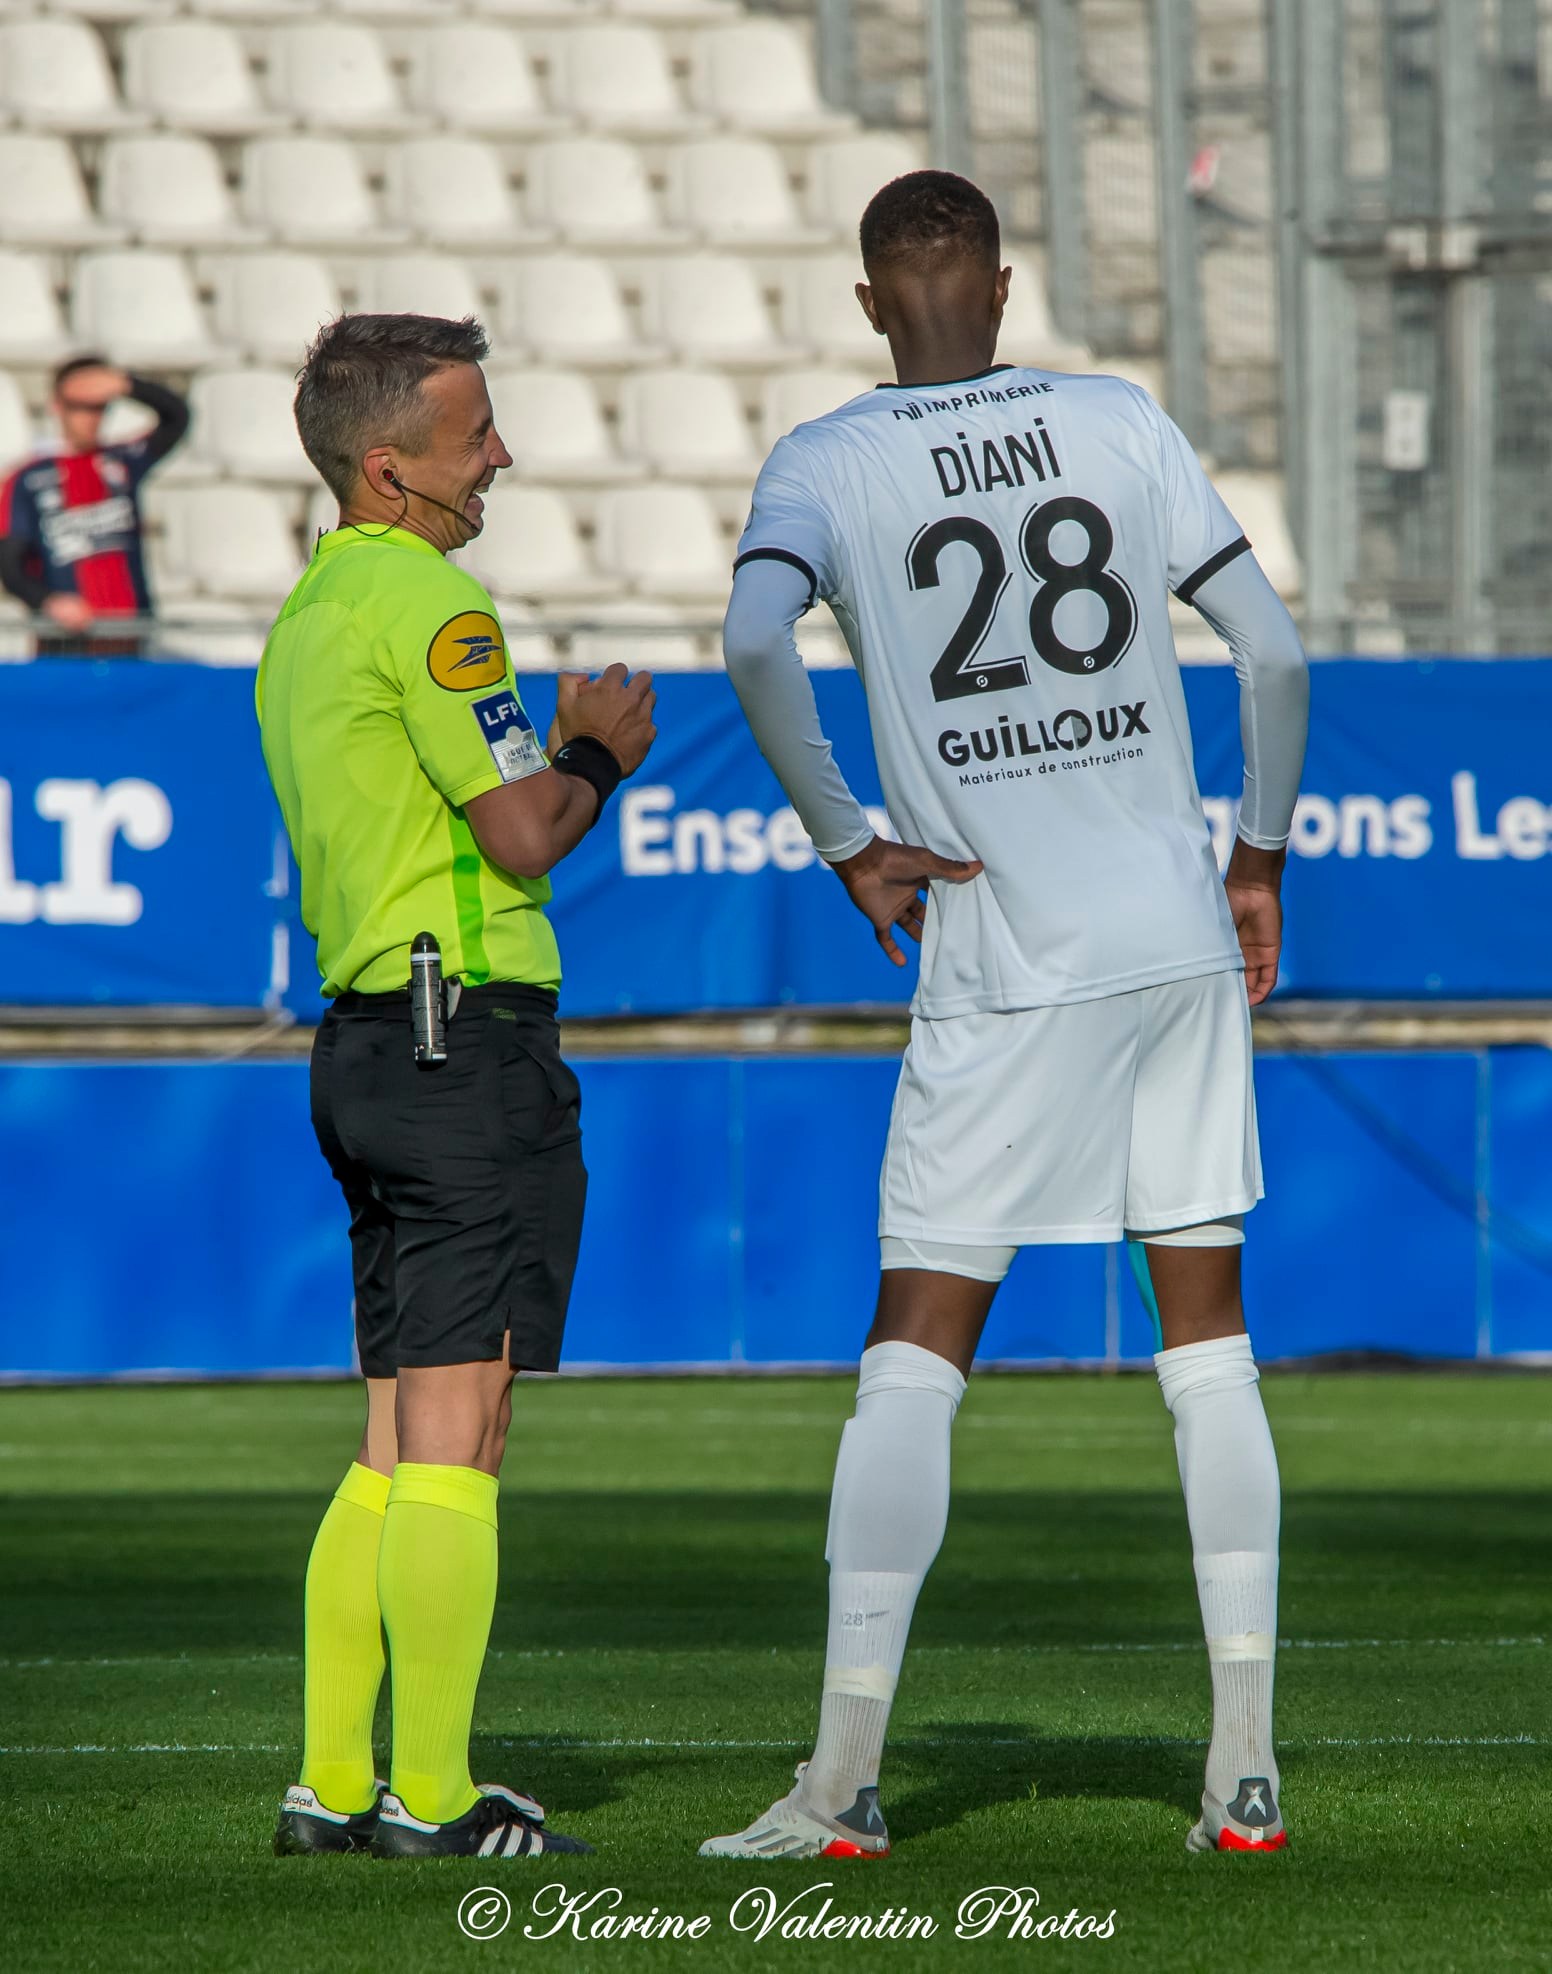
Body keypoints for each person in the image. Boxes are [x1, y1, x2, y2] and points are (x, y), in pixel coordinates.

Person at [704, 171, 1309, 1862]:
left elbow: (752, 642)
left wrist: (846, 839)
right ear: (1002, 285)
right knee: (1208, 1343)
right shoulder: (1116, 420)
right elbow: (1271, 657)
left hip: (999, 944)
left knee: (914, 1350)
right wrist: (1255, 857)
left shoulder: (826, 459)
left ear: (869, 300)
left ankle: (840, 1783)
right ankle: (1246, 1773)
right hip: (1174, 934)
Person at [257, 313, 656, 1861]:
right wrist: (593, 753)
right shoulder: (436, 605)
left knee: (387, 1437)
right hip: (458, 1040)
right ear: (390, 467)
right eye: (473, 433)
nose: (501, 455)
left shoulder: (309, 613)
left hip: (365, 1042)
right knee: (460, 1434)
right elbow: (521, 833)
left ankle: (328, 1782)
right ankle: (430, 1794)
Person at [0, 357, 189, 656]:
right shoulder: (27, 479)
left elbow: (177, 418)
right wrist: (48, 601)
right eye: (80, 407)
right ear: (57, 406)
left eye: (99, 407)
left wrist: (127, 384)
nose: (91, 418)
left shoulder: (123, 461)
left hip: (131, 633)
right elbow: (11, 564)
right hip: (64, 641)